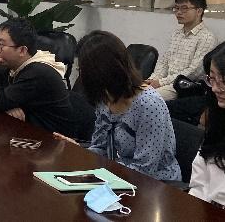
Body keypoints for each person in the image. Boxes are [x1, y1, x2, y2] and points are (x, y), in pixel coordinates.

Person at [55, 31, 180, 182]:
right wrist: (80, 151)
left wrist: (103, 172)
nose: (81, 76)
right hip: (116, 176)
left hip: (156, 184)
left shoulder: (148, 105)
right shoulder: (105, 97)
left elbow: (145, 168)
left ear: (102, 71)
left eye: (83, 70)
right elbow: (101, 148)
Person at [0, 18, 75, 136]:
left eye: (1, 44)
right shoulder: (10, 65)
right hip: (26, 133)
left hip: (55, 140)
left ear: (22, 50)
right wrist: (4, 106)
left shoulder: (38, 72)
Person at [147, 0, 217, 101]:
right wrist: (153, 79)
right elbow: (165, 61)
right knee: (133, 92)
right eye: (176, 8)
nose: (179, 12)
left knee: (146, 98)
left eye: (184, 8)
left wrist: (161, 82)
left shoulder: (207, 37)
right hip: (167, 82)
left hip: (184, 86)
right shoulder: (176, 34)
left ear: (199, 11)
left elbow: (194, 72)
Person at [189, 46, 225, 206]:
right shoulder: (218, 120)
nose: (216, 88)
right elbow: (199, 183)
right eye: (212, 78)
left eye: (224, 80)